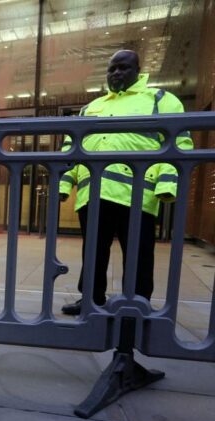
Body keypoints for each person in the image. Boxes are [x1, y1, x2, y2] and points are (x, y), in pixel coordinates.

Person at [59, 50, 193, 315]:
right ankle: (91, 300)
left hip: (138, 194)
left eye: (123, 67)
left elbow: (178, 143)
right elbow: (70, 148)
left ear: (138, 70)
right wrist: (64, 184)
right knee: (93, 252)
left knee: (138, 254)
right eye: (112, 69)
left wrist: (167, 185)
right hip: (93, 193)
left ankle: (137, 303)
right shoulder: (90, 107)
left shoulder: (160, 100)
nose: (116, 73)